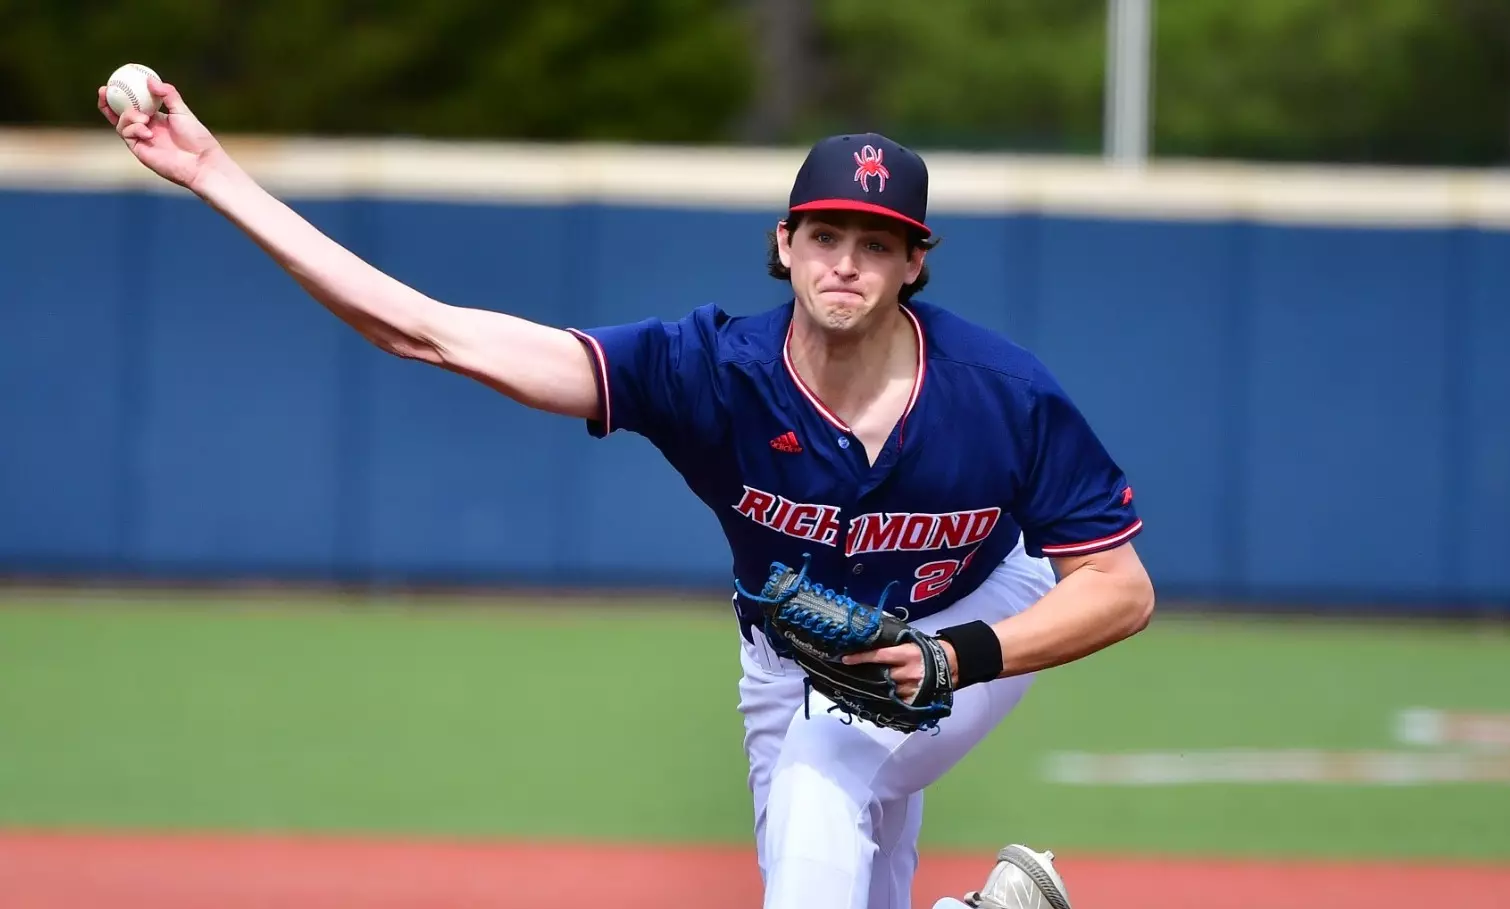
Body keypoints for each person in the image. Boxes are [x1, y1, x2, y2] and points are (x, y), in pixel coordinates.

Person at [99, 75, 1154, 909]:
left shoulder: (1002, 395)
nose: (846, 262)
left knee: (823, 771)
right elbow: (422, 330)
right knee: (821, 830)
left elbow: (1118, 585)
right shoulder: (705, 371)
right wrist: (215, 175)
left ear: (915, 265)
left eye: (877, 243)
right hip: (792, 658)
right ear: (782, 245)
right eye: (825, 235)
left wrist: (952, 657)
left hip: (975, 614)